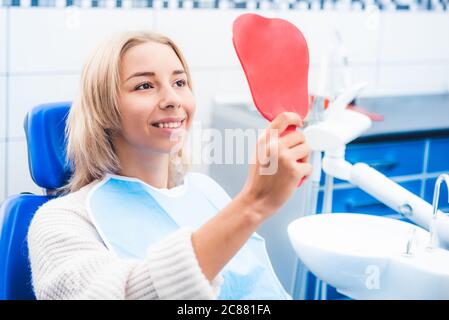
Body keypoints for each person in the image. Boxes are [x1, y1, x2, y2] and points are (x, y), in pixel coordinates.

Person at [27, 30, 312, 300]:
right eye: (144, 85)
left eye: (179, 82)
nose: (173, 99)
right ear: (103, 109)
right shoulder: (61, 221)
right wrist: (253, 204)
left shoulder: (206, 191)